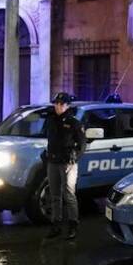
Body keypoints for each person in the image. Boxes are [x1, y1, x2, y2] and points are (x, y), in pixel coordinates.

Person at [44, 92, 86, 240]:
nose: (58, 106)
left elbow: (82, 145)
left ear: (67, 106)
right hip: (53, 162)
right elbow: (49, 140)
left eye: (61, 104)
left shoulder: (74, 122)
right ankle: (56, 224)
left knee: (68, 194)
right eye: (56, 103)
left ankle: (73, 225)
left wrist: (74, 157)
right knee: (54, 195)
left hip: (67, 163)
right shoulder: (50, 120)